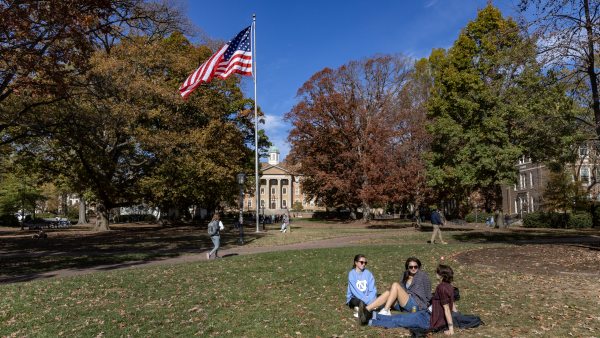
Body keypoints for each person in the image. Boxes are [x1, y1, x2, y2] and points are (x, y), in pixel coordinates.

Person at [368, 264, 457, 334]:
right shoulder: (449, 287)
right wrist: (456, 313)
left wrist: (451, 329)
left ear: (442, 275)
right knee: (400, 317)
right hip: (426, 313)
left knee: (399, 321)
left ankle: (369, 321)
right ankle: (372, 316)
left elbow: (447, 309)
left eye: (437, 272)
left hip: (428, 320)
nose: (436, 273)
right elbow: (451, 304)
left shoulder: (442, 288)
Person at [358, 257, 431, 325]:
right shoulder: (405, 275)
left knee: (395, 285)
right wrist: (405, 294)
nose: (413, 269)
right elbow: (401, 289)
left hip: (416, 305)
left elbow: (428, 293)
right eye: (411, 267)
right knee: (389, 292)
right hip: (404, 304)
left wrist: (426, 304)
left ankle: (385, 311)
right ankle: (367, 310)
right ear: (407, 267)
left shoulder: (423, 276)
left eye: (416, 267)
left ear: (419, 267)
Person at [346, 254, 382, 318]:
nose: (363, 264)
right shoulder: (351, 274)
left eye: (365, 262)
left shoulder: (368, 273)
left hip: (367, 297)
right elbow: (355, 292)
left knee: (382, 296)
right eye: (361, 262)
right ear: (356, 263)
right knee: (358, 301)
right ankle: (367, 308)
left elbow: (373, 290)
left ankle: (362, 309)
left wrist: (371, 299)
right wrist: (369, 301)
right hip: (355, 298)